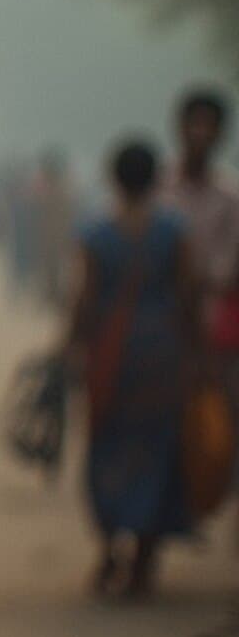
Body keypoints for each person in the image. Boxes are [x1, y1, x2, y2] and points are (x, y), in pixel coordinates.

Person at [65, 139, 200, 599]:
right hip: (162, 355)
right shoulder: (174, 231)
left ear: (113, 179)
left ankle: (108, 549)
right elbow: (189, 297)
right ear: (157, 178)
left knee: (106, 446)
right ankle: (144, 561)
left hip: (111, 359)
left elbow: (84, 301)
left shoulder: (96, 235)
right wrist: (197, 356)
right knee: (159, 450)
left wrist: (70, 349)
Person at [162, 87, 239, 548]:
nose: (198, 134)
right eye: (192, 123)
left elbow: (227, 271)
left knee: (223, 421)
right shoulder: (160, 188)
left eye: (208, 126)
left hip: (216, 330)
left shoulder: (230, 196)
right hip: (164, 328)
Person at [31, 150, 79, 311]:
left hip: (57, 236)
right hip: (49, 236)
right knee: (50, 270)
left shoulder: (60, 191)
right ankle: (51, 297)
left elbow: (67, 216)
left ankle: (57, 299)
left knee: (58, 269)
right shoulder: (50, 191)